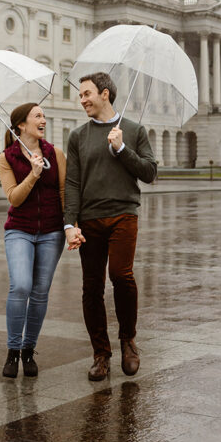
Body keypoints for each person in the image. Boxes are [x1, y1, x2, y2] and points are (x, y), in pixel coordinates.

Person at [64, 72, 157, 381]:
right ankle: (100, 354)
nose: (82, 100)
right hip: (90, 219)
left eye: (87, 94)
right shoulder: (78, 136)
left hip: (123, 214)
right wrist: (69, 223)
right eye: (80, 95)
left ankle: (128, 341)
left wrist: (121, 150)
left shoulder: (133, 130)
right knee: (91, 286)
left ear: (105, 94)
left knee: (121, 275)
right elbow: (74, 182)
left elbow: (148, 172)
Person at [0, 102, 66, 379]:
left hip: (52, 232)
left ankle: (28, 349)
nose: (44, 120)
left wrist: (70, 226)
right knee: (21, 286)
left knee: (40, 292)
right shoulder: (7, 157)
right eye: (38, 116)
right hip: (19, 230)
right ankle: (12, 351)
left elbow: (63, 192)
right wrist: (34, 175)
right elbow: (14, 197)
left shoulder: (55, 153)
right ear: (21, 125)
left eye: (44, 116)